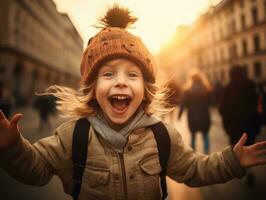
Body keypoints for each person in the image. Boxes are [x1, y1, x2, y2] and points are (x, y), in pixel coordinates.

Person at [0, 5, 266, 200]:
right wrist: (13, 148)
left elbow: (195, 168)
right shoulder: (73, 135)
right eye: (108, 74)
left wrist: (232, 160)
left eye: (132, 75)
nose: (121, 82)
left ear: (145, 89)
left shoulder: (162, 135)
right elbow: (38, 169)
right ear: (93, 89)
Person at [219, 65, 262, 186]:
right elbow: (257, 104)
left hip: (234, 126)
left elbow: (222, 109)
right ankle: (249, 171)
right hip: (251, 124)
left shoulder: (228, 88)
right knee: (249, 147)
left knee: (237, 149)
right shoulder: (251, 85)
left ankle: (244, 171)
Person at [178, 68, 213, 154]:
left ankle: (193, 153)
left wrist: (179, 114)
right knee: (205, 135)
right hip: (204, 115)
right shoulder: (206, 89)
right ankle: (207, 153)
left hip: (192, 116)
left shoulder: (188, 91)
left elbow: (183, 103)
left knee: (193, 136)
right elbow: (212, 102)